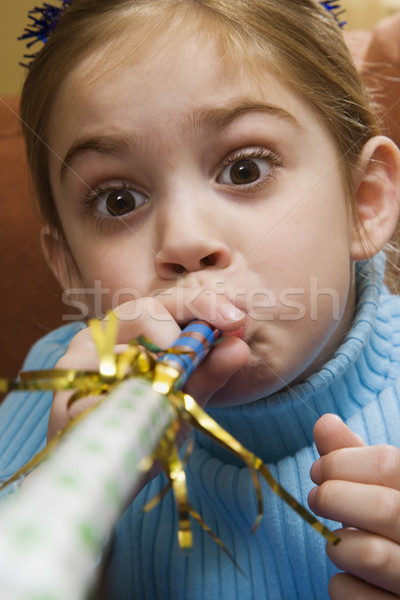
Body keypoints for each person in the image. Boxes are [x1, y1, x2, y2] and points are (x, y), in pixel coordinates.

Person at [2, 0, 400, 597]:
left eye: (244, 169)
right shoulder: (51, 396)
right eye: (118, 200)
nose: (184, 242)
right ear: (70, 268)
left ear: (364, 201)